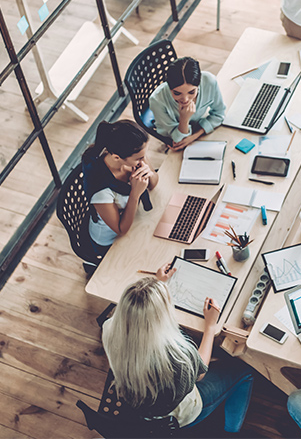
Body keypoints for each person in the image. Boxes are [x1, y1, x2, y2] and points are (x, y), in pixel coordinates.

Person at [102, 263, 255, 431]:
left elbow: (138, 314)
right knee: (245, 371)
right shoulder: (176, 356)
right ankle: (232, 430)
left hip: (137, 403)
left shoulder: (109, 328)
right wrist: (210, 326)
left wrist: (156, 285)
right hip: (180, 415)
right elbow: (201, 372)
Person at [82, 120, 158, 256]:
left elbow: (153, 183)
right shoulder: (101, 190)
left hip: (134, 219)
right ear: (117, 157)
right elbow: (120, 229)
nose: (143, 160)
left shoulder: (132, 155)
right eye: (140, 158)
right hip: (110, 240)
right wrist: (135, 193)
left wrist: (149, 173)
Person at [149, 56, 226, 151]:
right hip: (172, 134)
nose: (185, 100)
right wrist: (184, 119)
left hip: (196, 129)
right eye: (177, 93)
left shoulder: (209, 81)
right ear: (169, 87)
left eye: (191, 92)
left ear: (199, 85)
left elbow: (219, 114)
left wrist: (194, 136)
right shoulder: (157, 100)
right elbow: (178, 140)